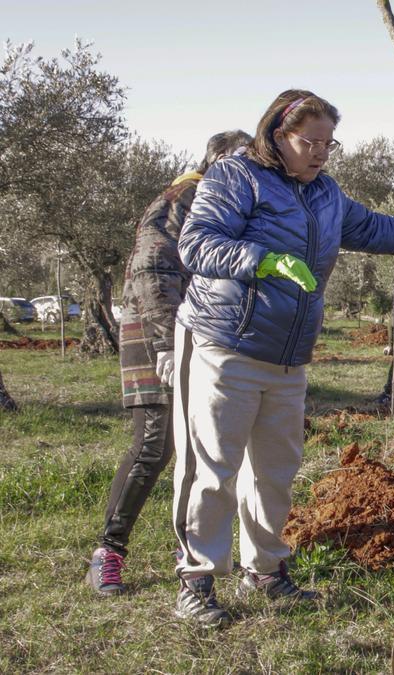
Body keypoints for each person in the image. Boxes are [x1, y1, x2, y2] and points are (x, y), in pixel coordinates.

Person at [171, 89, 394, 627]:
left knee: (275, 471)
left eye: (328, 143)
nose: (319, 153)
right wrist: (261, 260)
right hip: (225, 343)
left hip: (289, 357)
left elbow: (384, 230)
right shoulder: (235, 176)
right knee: (212, 468)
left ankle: (265, 571)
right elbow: (196, 244)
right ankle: (197, 580)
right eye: (307, 142)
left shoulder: (327, 196)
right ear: (276, 135)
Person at [86, 130, 252, 596]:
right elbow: (151, 267)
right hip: (156, 327)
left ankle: (195, 549)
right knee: (155, 443)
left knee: (204, 441)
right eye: (241, 159)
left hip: (202, 330)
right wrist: (165, 344)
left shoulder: (227, 200)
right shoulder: (186, 194)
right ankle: (108, 551)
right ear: (217, 160)